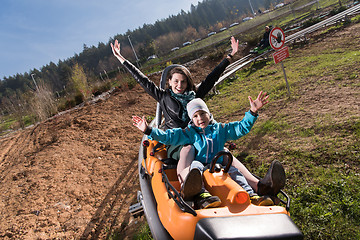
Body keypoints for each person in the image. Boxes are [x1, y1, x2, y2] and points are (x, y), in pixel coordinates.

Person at [111, 37, 283, 201]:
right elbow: (142, 80)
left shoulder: (195, 97)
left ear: (188, 83)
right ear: (169, 82)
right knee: (188, 147)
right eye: (176, 81)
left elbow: (212, 77)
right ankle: (190, 183)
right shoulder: (163, 97)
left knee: (224, 152)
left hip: (200, 138)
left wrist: (230, 56)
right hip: (178, 141)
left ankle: (258, 185)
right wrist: (120, 58)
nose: (180, 85)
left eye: (184, 82)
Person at [132, 92, 285, 209]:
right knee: (195, 169)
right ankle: (201, 194)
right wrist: (148, 130)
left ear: (209, 114)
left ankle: (252, 195)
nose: (200, 118)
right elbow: (170, 136)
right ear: (192, 119)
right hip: (201, 164)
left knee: (235, 172)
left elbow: (240, 128)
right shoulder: (190, 133)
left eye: (202, 113)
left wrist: (252, 112)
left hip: (218, 164)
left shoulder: (220, 129)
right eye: (196, 116)